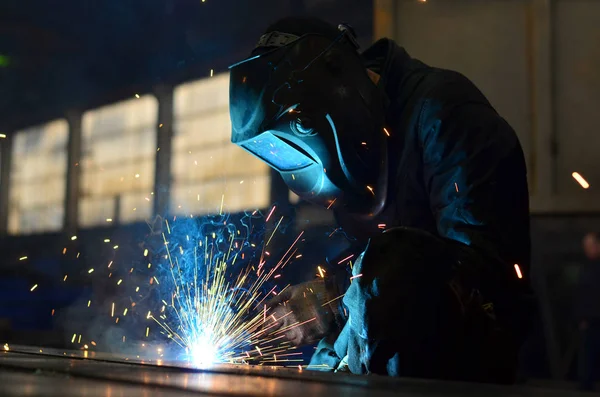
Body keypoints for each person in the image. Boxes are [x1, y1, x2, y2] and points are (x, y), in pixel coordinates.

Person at [228, 17, 534, 383]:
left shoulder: (445, 115)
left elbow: (476, 281)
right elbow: (370, 287)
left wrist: (337, 297)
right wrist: (322, 358)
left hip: (467, 370)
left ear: (337, 83)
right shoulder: (358, 145)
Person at [576, 232, 600, 391]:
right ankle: (587, 383)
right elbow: (582, 294)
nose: (587, 250)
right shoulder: (586, 267)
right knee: (588, 352)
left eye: (590, 246)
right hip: (590, 319)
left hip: (595, 317)